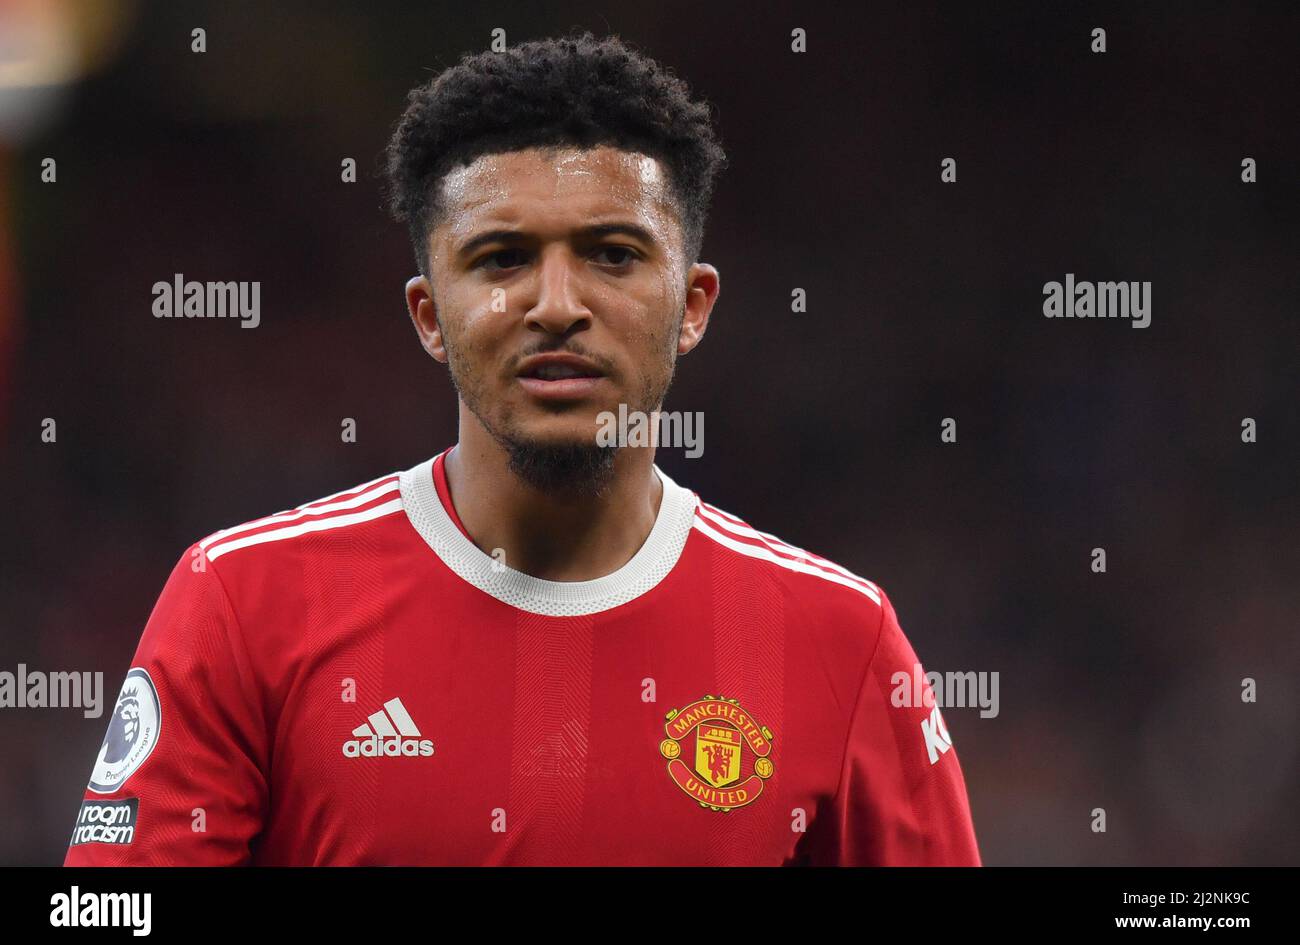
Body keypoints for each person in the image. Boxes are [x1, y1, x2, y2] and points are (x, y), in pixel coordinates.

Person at [65, 31, 979, 865]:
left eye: (613, 253)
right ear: (428, 314)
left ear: (693, 305)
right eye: (501, 257)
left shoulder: (839, 641)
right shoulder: (244, 604)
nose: (555, 304)